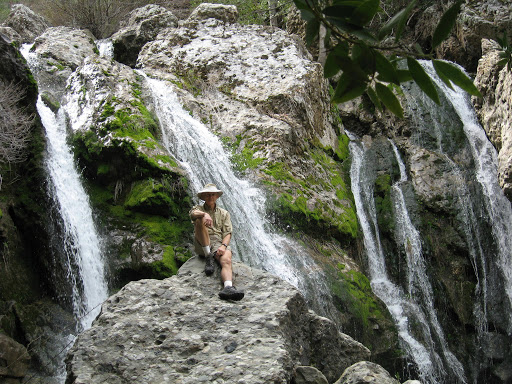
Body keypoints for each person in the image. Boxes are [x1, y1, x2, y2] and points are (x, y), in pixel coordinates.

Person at [189, 183, 244, 301]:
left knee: (226, 259)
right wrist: (204, 214)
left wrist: (223, 246)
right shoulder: (198, 209)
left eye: (213, 194)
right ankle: (208, 255)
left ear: (217, 196)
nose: (210, 197)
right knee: (199, 220)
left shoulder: (224, 213)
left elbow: (227, 233)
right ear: (203, 197)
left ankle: (228, 288)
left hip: (218, 243)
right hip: (202, 242)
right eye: (207, 195)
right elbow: (193, 215)